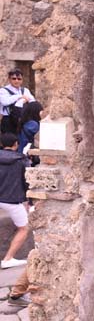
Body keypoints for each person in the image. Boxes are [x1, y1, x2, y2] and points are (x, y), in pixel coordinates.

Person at [0, 133, 30, 269]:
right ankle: (8, 259)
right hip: (12, 200)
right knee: (24, 228)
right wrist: (29, 201)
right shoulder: (21, 160)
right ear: (16, 144)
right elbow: (27, 181)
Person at [0, 70, 34, 134]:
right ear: (9, 79)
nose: (16, 81)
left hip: (22, 119)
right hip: (8, 120)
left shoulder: (25, 90)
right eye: (14, 78)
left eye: (19, 79)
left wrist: (22, 101)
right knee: (9, 142)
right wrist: (20, 96)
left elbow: (32, 101)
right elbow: (5, 101)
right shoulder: (3, 91)